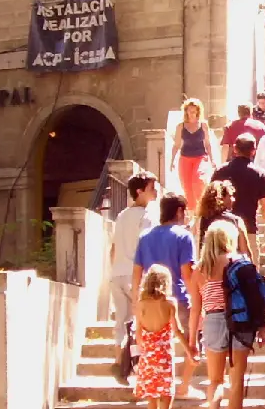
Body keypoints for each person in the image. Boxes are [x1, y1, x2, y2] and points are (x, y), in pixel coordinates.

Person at [131, 194, 200, 397]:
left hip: (149, 301)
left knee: (154, 346)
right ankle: (183, 386)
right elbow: (187, 273)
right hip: (177, 298)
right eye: (184, 211)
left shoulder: (145, 237)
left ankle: (154, 387)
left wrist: (137, 303)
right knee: (191, 342)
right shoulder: (184, 236)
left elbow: (136, 273)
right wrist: (197, 301)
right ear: (178, 211)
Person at [189, 220, 259, 409]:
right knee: (237, 380)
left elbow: (196, 309)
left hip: (212, 321)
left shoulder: (200, 270)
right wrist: (261, 326)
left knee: (215, 380)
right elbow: (254, 297)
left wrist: (192, 340)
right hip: (240, 320)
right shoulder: (240, 263)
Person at [110, 171, 159, 382]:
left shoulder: (121, 215)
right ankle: (139, 365)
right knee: (142, 320)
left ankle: (119, 361)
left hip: (117, 273)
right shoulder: (146, 216)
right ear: (139, 192)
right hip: (135, 274)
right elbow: (146, 245)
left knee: (121, 320)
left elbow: (113, 248)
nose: (155, 191)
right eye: (151, 188)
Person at [211, 134, 265, 265]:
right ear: (253, 151)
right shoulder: (259, 174)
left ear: (235, 149)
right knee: (250, 273)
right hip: (248, 230)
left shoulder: (220, 171)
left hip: (222, 231)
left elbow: (210, 200)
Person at [133, 264, 187, 409]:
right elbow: (177, 331)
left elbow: (138, 334)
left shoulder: (140, 304)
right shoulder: (169, 303)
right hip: (164, 356)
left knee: (151, 397)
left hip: (148, 356)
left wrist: (143, 350)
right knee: (166, 393)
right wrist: (189, 350)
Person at [170, 98, 216, 211]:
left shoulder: (203, 125)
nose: (191, 114)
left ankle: (202, 208)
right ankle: (192, 213)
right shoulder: (181, 126)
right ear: (186, 111)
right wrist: (172, 161)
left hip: (200, 157)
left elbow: (207, 144)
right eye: (189, 111)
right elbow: (176, 145)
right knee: (187, 187)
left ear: (198, 112)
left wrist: (212, 159)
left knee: (198, 181)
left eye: (194, 111)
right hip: (185, 158)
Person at [193, 179, 251, 255]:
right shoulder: (235, 221)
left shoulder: (200, 221)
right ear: (221, 198)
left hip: (207, 261)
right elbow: (245, 253)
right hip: (229, 261)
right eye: (230, 196)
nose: (233, 200)